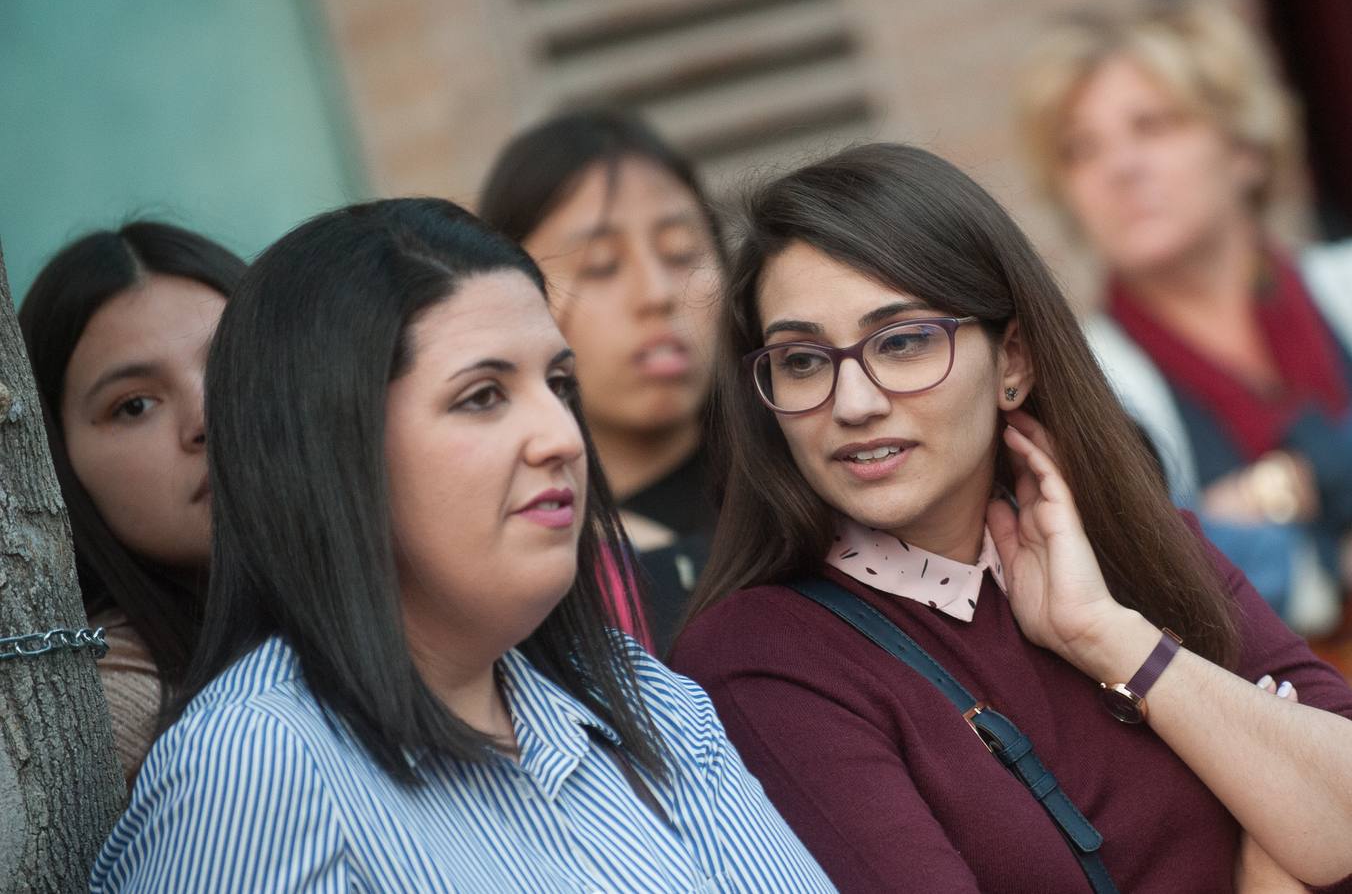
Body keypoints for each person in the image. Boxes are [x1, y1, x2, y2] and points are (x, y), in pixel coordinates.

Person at [89, 198, 833, 892]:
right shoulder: (259, 766)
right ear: (333, 450)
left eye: (560, 385)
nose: (562, 437)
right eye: (482, 396)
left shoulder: (644, 702)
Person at [670, 143, 1352, 892]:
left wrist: (1110, 638)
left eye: (901, 343)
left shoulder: (1132, 542)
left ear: (1014, 362)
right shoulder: (762, 660)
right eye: (802, 360)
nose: (854, 403)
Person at [1014, 0, 1352, 633]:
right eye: (1081, 150)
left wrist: (1272, 495)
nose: (1121, 167)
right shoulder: (1082, 389)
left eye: (1154, 125)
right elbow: (1166, 597)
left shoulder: (1344, 285)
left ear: (1244, 147)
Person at [480, 109, 725, 652]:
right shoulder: (490, 562)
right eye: (601, 265)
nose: (657, 293)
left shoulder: (795, 498)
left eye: (682, 253)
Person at [18, 222, 244, 784]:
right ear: (59, 466)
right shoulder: (114, 709)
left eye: (232, 361)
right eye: (135, 405)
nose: (204, 420)